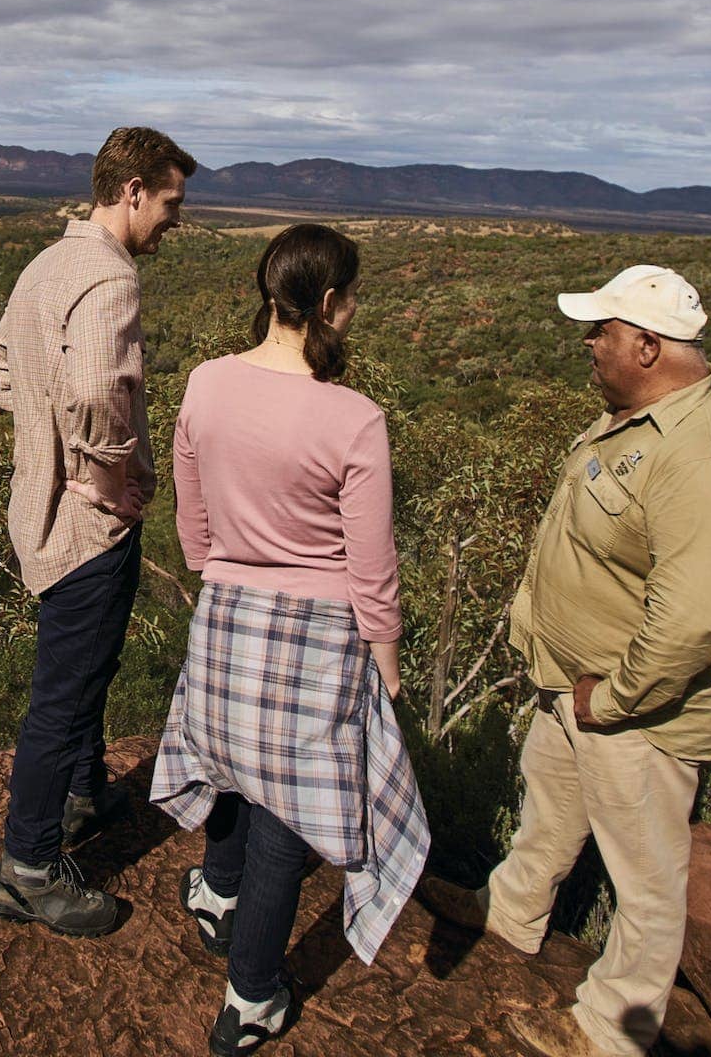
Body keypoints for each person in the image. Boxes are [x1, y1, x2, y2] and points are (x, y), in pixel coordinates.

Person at [433, 265, 711, 1057]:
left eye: (603, 332)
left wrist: (613, 698)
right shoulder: (634, 415)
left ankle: (612, 1031)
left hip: (636, 708)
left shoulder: (707, 460)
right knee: (548, 809)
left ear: (649, 347)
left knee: (646, 878)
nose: (589, 343)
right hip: (572, 680)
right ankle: (512, 916)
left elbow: (691, 623)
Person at [150, 224, 430, 1056]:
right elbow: (371, 565)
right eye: (355, 299)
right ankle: (253, 994)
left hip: (228, 607)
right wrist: (387, 661)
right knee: (286, 811)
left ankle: (216, 891)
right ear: (332, 303)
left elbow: (190, 516)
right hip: (320, 630)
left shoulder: (205, 383)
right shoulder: (355, 420)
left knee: (231, 758)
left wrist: (218, 573)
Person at [0, 125, 195, 937]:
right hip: (85, 525)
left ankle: (80, 795)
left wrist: (40, 434)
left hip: (39, 511)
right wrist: (108, 483)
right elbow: (99, 395)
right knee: (61, 697)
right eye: (170, 201)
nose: (176, 218)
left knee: (84, 669)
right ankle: (28, 870)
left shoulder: (46, 265)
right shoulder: (108, 281)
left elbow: (2, 368)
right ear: (132, 191)